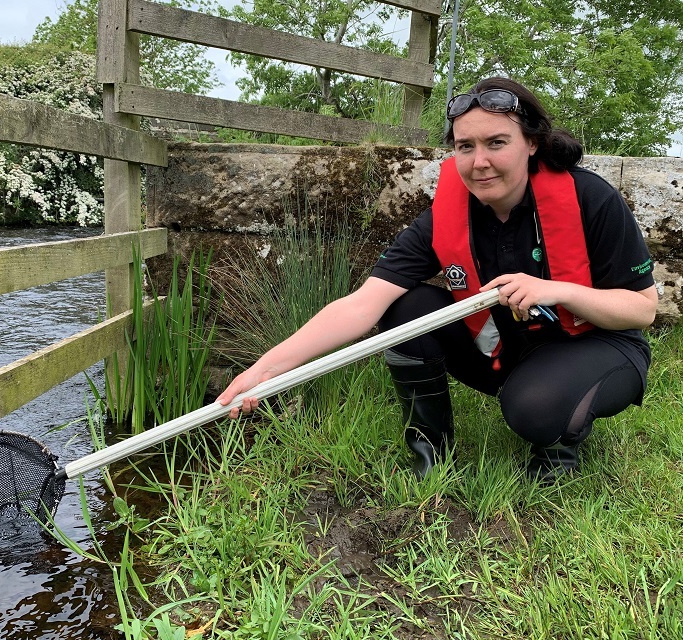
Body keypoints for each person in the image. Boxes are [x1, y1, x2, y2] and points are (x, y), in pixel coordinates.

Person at [216, 76, 658, 482]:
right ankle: (430, 450)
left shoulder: (590, 198)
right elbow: (361, 305)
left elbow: (642, 309)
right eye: (465, 147)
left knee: (535, 409)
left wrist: (556, 290)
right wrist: (264, 371)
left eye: (496, 142)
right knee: (405, 307)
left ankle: (557, 443)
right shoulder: (447, 216)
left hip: (599, 344)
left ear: (532, 143)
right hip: (509, 349)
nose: (479, 162)